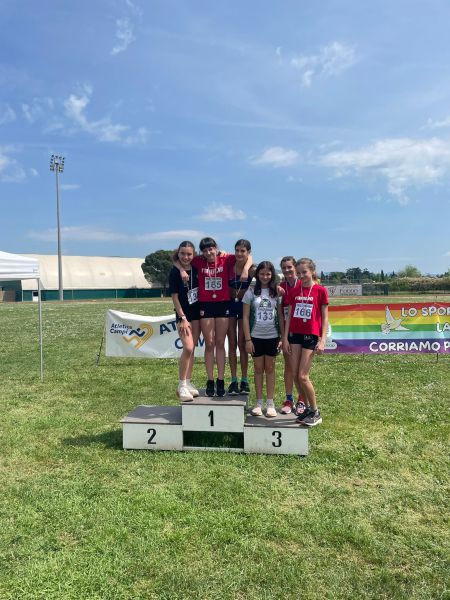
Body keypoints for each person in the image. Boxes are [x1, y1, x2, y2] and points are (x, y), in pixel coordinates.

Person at [176, 237, 251, 397]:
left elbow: (248, 257)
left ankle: (221, 379)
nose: (208, 253)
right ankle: (210, 380)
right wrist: (181, 269)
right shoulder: (198, 261)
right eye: (205, 250)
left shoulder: (226, 258)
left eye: (211, 249)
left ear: (216, 248)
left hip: (223, 304)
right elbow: (176, 258)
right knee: (209, 344)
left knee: (220, 343)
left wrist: (246, 270)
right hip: (206, 306)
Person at [283, 258, 329, 427]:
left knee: (303, 376)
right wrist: (285, 337)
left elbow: (325, 317)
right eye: (299, 273)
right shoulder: (294, 291)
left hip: (311, 335)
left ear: (312, 271)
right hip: (295, 335)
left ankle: (315, 411)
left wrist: (322, 340)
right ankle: (308, 409)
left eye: (304, 272)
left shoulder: (320, 290)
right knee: (295, 374)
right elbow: (289, 315)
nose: (301, 275)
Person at [242, 261, 281, 418]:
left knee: (270, 369)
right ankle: (258, 403)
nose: (265, 277)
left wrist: (281, 337)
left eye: (268, 274)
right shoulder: (250, 292)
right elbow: (245, 317)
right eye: (262, 274)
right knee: (258, 369)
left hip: (272, 336)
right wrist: (248, 340)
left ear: (272, 275)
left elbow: (280, 316)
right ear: (257, 274)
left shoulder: (276, 292)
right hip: (255, 337)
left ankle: (270, 403)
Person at [169, 241, 201, 402]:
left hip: (197, 315)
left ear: (194, 254)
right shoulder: (174, 272)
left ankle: (187, 382)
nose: (186, 257)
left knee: (192, 349)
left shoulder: (197, 268)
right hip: (184, 317)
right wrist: (182, 318)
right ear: (178, 253)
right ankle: (181, 385)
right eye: (182, 253)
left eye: (189, 254)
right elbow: (175, 297)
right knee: (187, 348)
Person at [227, 239, 256, 396]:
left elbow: (267, 278)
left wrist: (246, 268)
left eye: (242, 251)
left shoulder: (252, 269)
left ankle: (244, 380)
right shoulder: (229, 265)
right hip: (229, 306)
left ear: (248, 252)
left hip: (244, 308)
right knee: (232, 344)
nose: (239, 253)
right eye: (237, 250)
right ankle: (233, 380)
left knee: (242, 343)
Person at [277, 256, 303, 414]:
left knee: (300, 368)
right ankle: (289, 399)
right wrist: (283, 336)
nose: (287, 270)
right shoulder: (280, 287)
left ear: (295, 267)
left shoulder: (303, 284)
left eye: (289, 267)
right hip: (288, 332)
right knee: (288, 366)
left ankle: (302, 399)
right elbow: (281, 314)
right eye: (284, 268)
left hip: (302, 331)